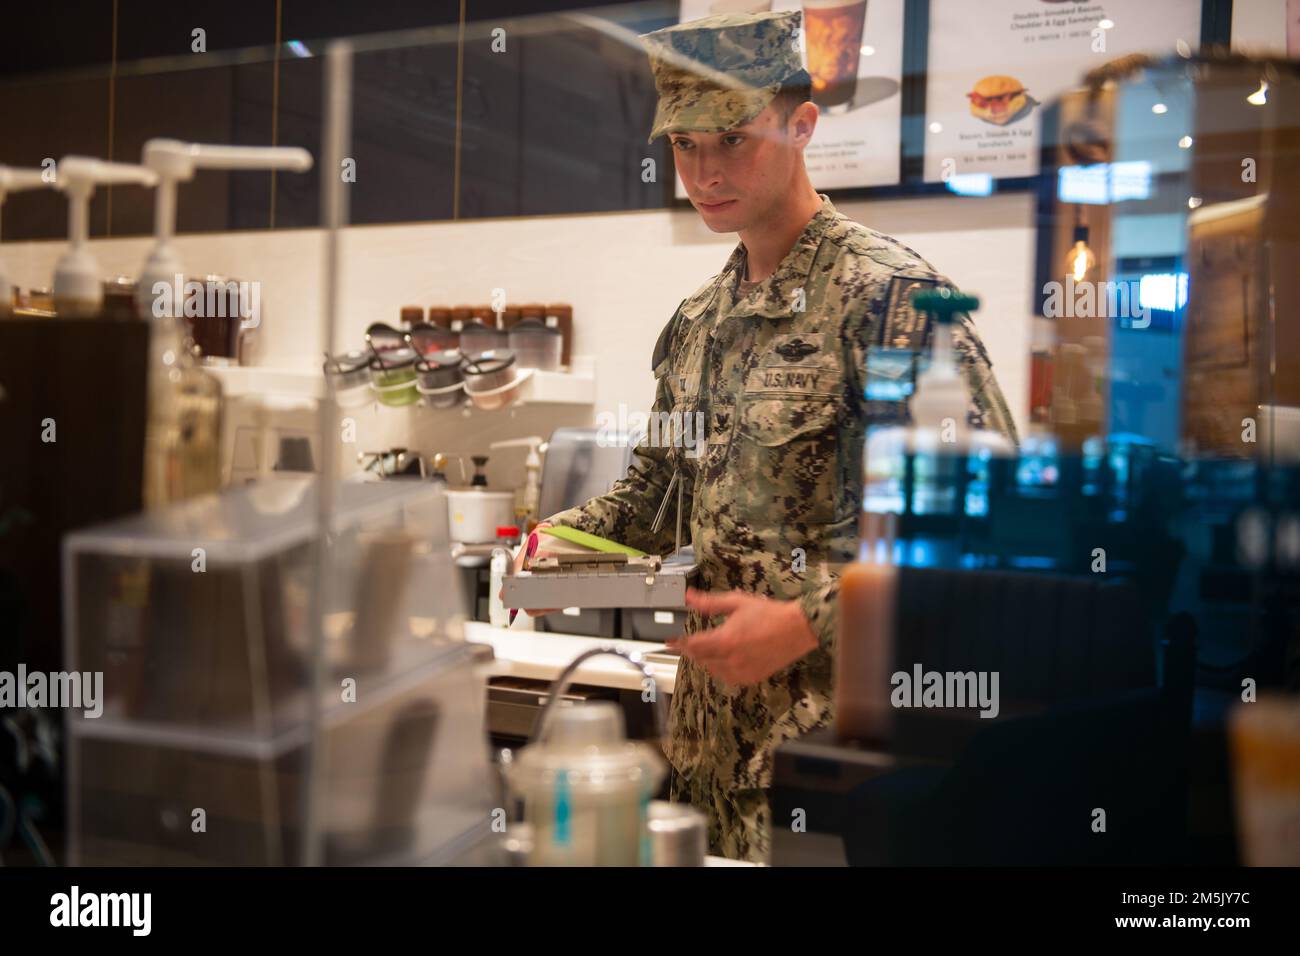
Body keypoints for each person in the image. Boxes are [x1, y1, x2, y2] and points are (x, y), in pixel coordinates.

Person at [514, 9, 1018, 862]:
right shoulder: (700, 320)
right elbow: (654, 494)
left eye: (732, 141)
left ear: (801, 124)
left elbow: (986, 518)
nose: (705, 173)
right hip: (711, 755)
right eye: (683, 146)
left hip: (841, 760)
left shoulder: (889, 300)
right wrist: (558, 540)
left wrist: (804, 623)